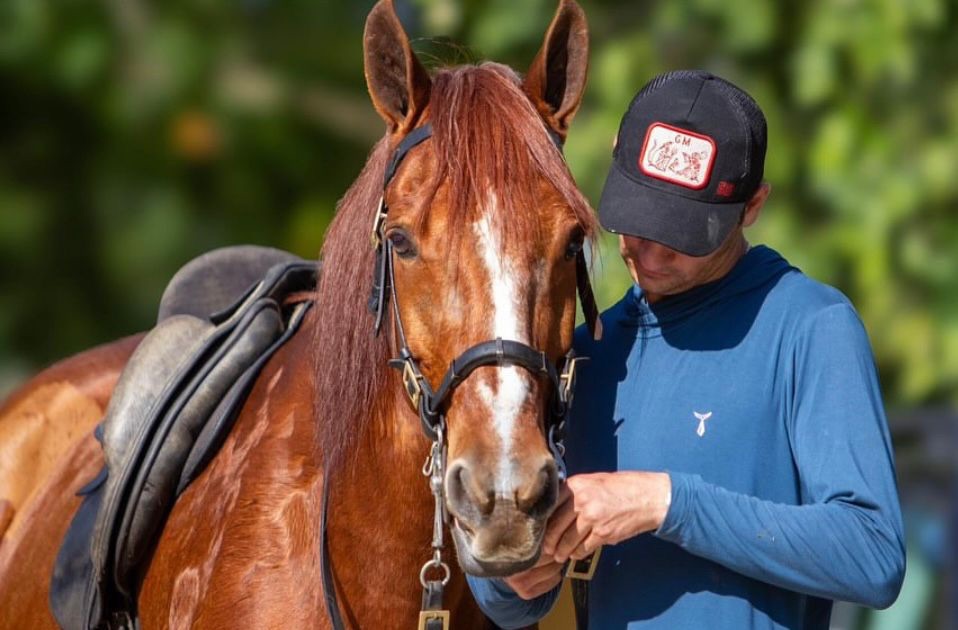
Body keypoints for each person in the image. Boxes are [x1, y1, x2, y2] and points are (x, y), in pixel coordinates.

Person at [466, 70, 905, 629]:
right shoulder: (585, 355)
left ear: (752, 206)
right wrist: (511, 576)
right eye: (638, 219)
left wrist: (664, 503)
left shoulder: (811, 327)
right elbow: (508, 606)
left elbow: (874, 555)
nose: (650, 252)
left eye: (682, 233)